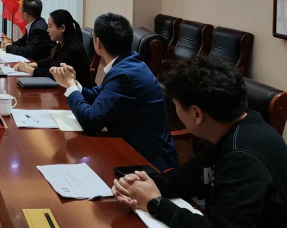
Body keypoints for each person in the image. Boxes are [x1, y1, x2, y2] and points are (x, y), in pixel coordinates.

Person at [113, 56, 287, 228]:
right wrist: (143, 186)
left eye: (175, 104)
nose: (175, 110)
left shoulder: (243, 158)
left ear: (196, 114)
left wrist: (155, 203)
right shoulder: (227, 128)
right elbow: (192, 174)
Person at [51, 13, 178, 172]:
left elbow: (90, 122)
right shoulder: (128, 61)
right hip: (130, 148)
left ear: (97, 43)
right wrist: (74, 83)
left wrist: (70, 87)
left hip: (148, 164)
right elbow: (97, 95)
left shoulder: (124, 74)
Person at [13, 9, 92, 87]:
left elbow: (53, 74)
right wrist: (31, 64)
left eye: (50, 26)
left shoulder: (70, 49)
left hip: (77, 92)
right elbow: (51, 59)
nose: (47, 30)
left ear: (62, 28)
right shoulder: (63, 42)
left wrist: (29, 69)